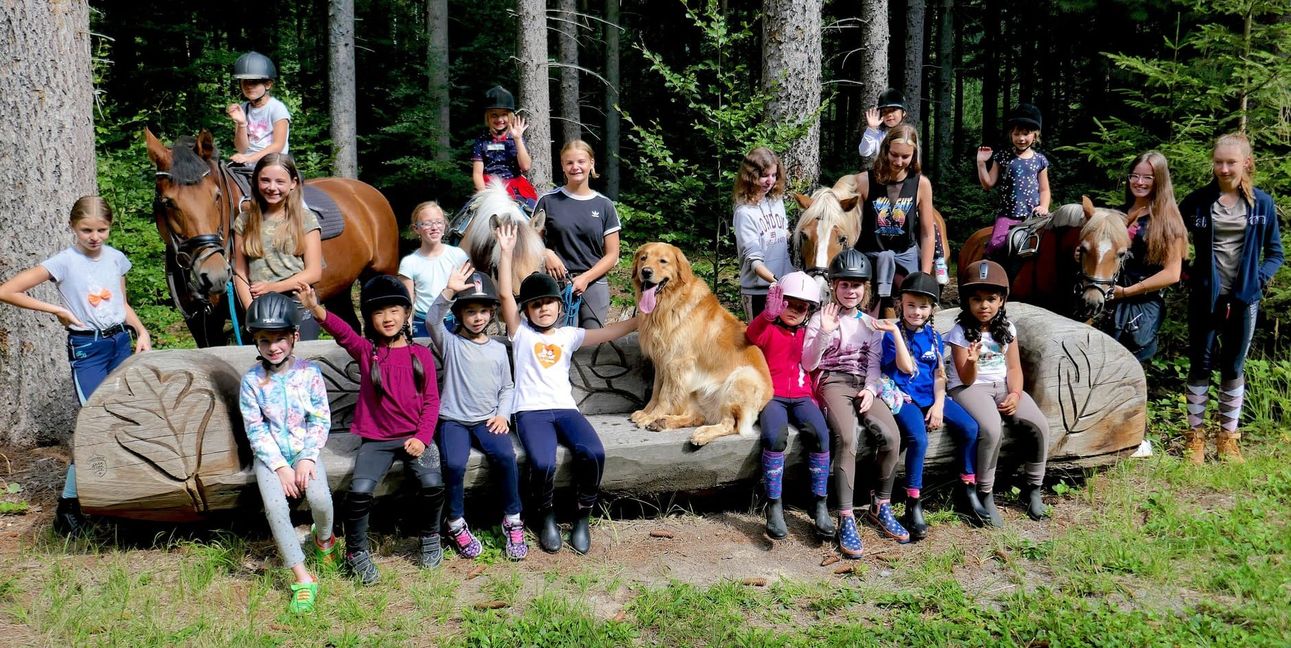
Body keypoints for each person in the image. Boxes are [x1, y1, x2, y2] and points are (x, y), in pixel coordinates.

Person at [0, 196, 152, 536]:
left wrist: (141, 331)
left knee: (125, 418)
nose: (95, 237)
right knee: (95, 423)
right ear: (73, 227)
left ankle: (125, 499)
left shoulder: (116, 259)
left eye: (102, 230)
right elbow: (8, 291)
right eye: (87, 230)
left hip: (119, 342)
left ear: (110, 228)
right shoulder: (64, 262)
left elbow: (122, 303)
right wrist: (57, 310)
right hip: (88, 348)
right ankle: (68, 509)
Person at [495, 223, 639, 555]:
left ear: (560, 307)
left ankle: (582, 516)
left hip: (565, 409)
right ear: (526, 311)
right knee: (543, 462)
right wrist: (505, 253)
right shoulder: (520, 334)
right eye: (536, 305)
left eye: (549, 302)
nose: (544, 308)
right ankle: (545, 517)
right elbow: (504, 295)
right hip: (530, 411)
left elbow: (610, 332)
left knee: (594, 452)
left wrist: (642, 317)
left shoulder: (568, 336)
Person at [299, 276, 443, 584]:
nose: (387, 318)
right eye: (379, 312)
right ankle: (356, 551)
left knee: (432, 483)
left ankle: (431, 536)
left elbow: (432, 401)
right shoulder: (368, 352)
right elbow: (344, 334)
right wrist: (315, 309)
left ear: (406, 313)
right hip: (377, 441)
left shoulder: (421, 355)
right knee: (360, 491)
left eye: (394, 310)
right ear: (370, 318)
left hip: (415, 438)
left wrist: (422, 437)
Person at [1179, 133, 1283, 465]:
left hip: (1243, 299)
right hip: (1205, 297)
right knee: (1200, 365)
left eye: (1231, 162)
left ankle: (1228, 439)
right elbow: (1173, 241)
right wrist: (1187, 274)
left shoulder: (1262, 204)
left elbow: (1275, 253)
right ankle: (1195, 439)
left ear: (1246, 163)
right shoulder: (1197, 201)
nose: (1224, 169)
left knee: (1233, 366)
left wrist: (1257, 280)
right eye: (1219, 162)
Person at [802, 249, 905, 557]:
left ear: (865, 288)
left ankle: (880, 504)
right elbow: (808, 364)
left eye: (856, 285)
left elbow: (873, 363)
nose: (850, 291)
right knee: (847, 438)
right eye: (844, 285)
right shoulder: (820, 318)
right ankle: (845, 514)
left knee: (891, 436)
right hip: (832, 381)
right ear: (834, 286)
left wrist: (872, 389)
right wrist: (825, 332)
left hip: (862, 383)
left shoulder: (869, 324)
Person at [237, 293, 335, 614]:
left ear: (294, 336)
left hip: (305, 450)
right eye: (264, 340)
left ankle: (324, 540)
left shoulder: (310, 374)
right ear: (256, 341)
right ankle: (303, 578)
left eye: (279, 338)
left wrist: (307, 457)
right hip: (270, 457)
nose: (273, 347)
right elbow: (255, 429)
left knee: (320, 499)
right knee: (276, 508)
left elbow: (320, 418)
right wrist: (280, 467)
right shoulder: (252, 381)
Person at [424, 263, 528, 561]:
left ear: (492, 313)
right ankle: (455, 522)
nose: (478, 317)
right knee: (455, 464)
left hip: (487, 420)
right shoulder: (450, 343)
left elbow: (507, 387)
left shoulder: (498, 349)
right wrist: (449, 291)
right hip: (454, 421)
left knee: (505, 456)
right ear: (459, 314)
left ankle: (513, 518)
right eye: (470, 311)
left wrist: (503, 414)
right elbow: (432, 321)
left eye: (483, 311)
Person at [946, 260, 1049, 527]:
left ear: (1002, 300)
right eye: (977, 299)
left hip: (1001, 385)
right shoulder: (960, 333)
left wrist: (1015, 394)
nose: (984, 306)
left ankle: (1033, 486)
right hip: (969, 387)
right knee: (991, 429)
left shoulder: (1007, 329)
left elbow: (1013, 367)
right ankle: (985, 492)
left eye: (991, 299)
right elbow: (966, 378)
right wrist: (972, 362)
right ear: (967, 301)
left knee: (1039, 424)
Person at [879, 272, 980, 540]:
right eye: (911, 305)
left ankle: (967, 486)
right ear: (900, 304)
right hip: (905, 397)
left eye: (923, 306)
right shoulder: (892, 335)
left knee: (970, 428)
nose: (916, 312)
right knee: (918, 439)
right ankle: (913, 500)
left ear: (932, 309)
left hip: (930, 395)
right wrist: (896, 333)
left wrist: (938, 405)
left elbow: (939, 375)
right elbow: (905, 367)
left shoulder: (934, 336)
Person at [746, 272, 833, 541]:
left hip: (802, 395)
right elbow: (751, 335)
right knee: (774, 437)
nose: (793, 311)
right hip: (773, 395)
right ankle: (774, 504)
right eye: (788, 303)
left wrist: (824, 333)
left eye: (801, 307)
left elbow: (812, 360)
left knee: (821, 435)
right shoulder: (768, 329)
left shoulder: (807, 334)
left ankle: (819, 501)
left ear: (809, 311)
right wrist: (767, 316)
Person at [233, 153, 323, 340]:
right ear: (256, 181)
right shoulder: (244, 220)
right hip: (260, 305)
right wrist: (252, 311)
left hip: (298, 303)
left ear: (293, 183)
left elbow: (314, 272)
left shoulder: (306, 219)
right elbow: (240, 272)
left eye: (280, 181)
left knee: (302, 357)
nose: (272, 187)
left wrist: (273, 287)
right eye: (265, 180)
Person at [536, 140, 622, 329]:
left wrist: (586, 278)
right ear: (562, 166)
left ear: (591, 163)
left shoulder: (605, 205)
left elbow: (612, 254)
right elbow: (531, 243)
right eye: (569, 163)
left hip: (594, 284)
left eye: (581, 161)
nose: (575, 167)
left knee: (593, 342)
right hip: (557, 285)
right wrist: (546, 253)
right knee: (558, 341)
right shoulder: (547, 201)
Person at [851, 124, 938, 305]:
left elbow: (927, 233)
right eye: (894, 154)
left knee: (914, 303)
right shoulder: (863, 181)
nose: (898, 162)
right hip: (869, 255)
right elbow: (852, 227)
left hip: (904, 255)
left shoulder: (921, 184)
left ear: (914, 155)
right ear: (885, 150)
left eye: (905, 157)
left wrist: (924, 274)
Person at [975, 103, 1051, 258]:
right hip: (1008, 215)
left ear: (1035, 135)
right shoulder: (1003, 156)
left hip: (1034, 216)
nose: (1021, 138)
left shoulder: (1040, 160)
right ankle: (988, 269)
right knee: (995, 245)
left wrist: (1044, 206)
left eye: (1026, 134)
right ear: (1011, 135)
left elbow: (1044, 189)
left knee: (1046, 246)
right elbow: (988, 184)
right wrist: (981, 163)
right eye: (1016, 134)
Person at [733, 147, 794, 321]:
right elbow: (754, 261)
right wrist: (775, 280)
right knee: (760, 337)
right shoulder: (744, 213)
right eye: (765, 176)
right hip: (758, 292)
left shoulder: (776, 202)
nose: (770, 181)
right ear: (750, 176)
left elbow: (784, 235)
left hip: (785, 287)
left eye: (774, 175)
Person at [398, 201, 469, 337]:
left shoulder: (458, 255)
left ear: (445, 225)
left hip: (453, 323)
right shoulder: (409, 263)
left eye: (439, 222)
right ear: (416, 228)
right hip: (422, 325)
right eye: (427, 223)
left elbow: (468, 293)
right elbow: (407, 303)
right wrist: (407, 335)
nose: (434, 227)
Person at [471, 85, 537, 210]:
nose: (499, 119)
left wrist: (518, 139)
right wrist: (484, 195)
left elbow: (525, 166)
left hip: (514, 186)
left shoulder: (515, 138)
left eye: (504, 115)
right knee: (467, 214)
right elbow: (477, 173)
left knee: (533, 212)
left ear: (510, 116)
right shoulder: (481, 139)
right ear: (488, 117)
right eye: (494, 115)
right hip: (489, 186)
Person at [225, 51, 290, 167]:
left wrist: (249, 158)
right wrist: (241, 124)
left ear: (268, 84)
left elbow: (278, 145)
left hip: (274, 162)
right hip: (248, 164)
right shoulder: (243, 108)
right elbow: (242, 148)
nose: (249, 86)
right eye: (245, 82)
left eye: (254, 82)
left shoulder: (277, 108)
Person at [857, 88, 908, 163]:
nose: (889, 114)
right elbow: (864, 152)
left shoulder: (908, 134)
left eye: (893, 110)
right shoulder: (879, 135)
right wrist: (871, 129)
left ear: (903, 112)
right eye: (884, 111)